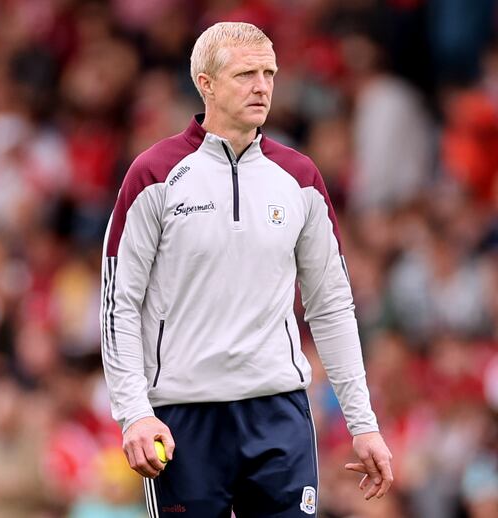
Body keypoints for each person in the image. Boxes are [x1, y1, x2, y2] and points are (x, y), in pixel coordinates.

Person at [100, 22, 393, 517]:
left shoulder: (300, 178)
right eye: (245, 74)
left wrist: (362, 423)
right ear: (206, 83)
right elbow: (117, 305)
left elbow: (332, 306)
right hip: (183, 417)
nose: (262, 86)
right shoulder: (153, 175)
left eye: (269, 73)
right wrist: (133, 414)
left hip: (278, 410)